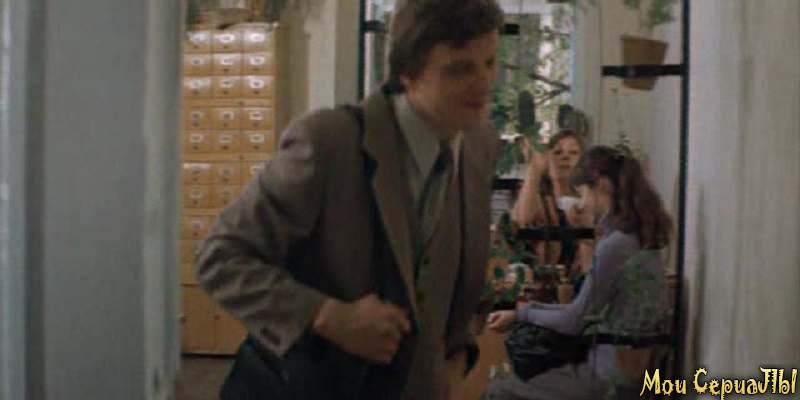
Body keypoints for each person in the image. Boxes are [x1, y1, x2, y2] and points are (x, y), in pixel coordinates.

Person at [192, 1, 504, 399]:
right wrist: (326, 315)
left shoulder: (479, 145)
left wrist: (455, 361)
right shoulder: (330, 143)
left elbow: (453, 294)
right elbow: (220, 257)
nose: (484, 83)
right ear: (408, 73)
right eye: (459, 69)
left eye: (490, 63)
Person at [484, 146, 673, 399]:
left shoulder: (616, 245)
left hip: (607, 379)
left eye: (584, 193)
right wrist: (523, 312)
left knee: (499, 390)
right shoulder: (638, 239)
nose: (584, 202)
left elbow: (574, 320)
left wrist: (522, 315)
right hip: (632, 374)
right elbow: (582, 310)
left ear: (601, 186)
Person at [511, 130, 585, 267]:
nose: (565, 157)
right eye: (558, 152)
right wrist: (535, 168)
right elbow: (522, 221)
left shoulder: (586, 197)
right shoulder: (536, 194)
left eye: (573, 153)